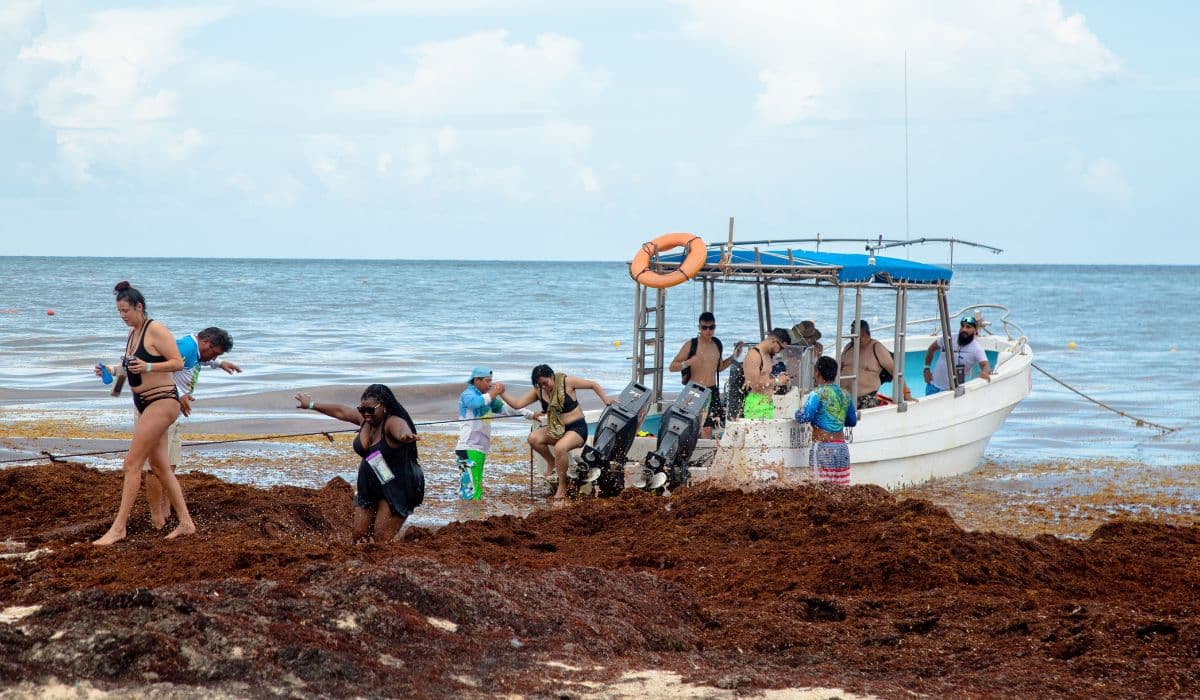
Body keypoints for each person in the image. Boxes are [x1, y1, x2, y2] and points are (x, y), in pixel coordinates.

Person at [92, 281, 197, 546]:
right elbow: (131, 368)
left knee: (132, 464)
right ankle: (186, 523)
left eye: (126, 310)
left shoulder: (155, 329)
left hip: (162, 401)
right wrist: (110, 370)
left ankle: (119, 528)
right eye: (119, 311)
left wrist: (149, 367)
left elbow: (177, 362)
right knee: (160, 467)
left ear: (139, 307)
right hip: (143, 403)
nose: (122, 316)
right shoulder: (133, 334)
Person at [295, 384, 424, 542]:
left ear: (384, 406)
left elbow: (401, 429)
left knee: (381, 536)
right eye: (362, 409)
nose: (366, 414)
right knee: (359, 535)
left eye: (370, 410)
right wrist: (311, 405)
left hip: (399, 484)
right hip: (372, 481)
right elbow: (341, 411)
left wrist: (405, 436)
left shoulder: (392, 422)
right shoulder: (365, 420)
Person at [144, 327, 241, 528]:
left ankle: (166, 510)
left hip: (174, 412)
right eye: (215, 353)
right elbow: (158, 369)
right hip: (160, 409)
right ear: (206, 343)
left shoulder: (195, 352)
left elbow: (198, 361)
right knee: (156, 467)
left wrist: (219, 363)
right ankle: (156, 517)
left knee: (171, 464)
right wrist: (180, 395)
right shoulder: (186, 348)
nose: (214, 357)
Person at [499, 364, 612, 501]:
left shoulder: (567, 382)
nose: (544, 387)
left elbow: (593, 385)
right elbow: (517, 404)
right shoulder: (539, 391)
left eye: (545, 383)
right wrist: (501, 392)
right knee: (533, 438)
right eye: (540, 385)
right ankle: (551, 461)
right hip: (557, 428)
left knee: (560, 447)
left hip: (577, 428)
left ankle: (563, 485)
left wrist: (606, 400)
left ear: (552, 376)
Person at [455, 367, 534, 500]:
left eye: (491, 381)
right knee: (470, 490)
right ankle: (470, 511)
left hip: (480, 448)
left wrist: (530, 414)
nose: (490, 384)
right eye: (487, 381)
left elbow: (506, 409)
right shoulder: (468, 394)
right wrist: (494, 393)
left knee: (475, 486)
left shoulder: (488, 398)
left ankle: (472, 510)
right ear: (476, 380)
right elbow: (475, 403)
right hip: (468, 447)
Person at [667, 312, 744, 438]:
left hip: (712, 391)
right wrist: (688, 362)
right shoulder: (691, 345)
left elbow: (719, 368)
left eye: (711, 327)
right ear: (699, 328)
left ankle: (705, 447)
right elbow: (672, 367)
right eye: (704, 327)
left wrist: (734, 356)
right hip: (695, 391)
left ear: (715, 327)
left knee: (708, 427)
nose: (708, 331)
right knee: (692, 426)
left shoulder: (717, 344)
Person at [794, 356, 858, 485]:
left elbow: (805, 416)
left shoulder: (817, 394)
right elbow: (852, 421)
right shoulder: (845, 395)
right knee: (842, 491)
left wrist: (796, 413)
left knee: (820, 491)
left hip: (823, 448)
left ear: (817, 373)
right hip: (841, 448)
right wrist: (835, 419)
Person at [922, 315, 992, 395]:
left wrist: (984, 372)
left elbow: (985, 364)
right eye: (962, 326)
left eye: (968, 327)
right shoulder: (948, 338)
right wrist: (926, 369)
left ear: (975, 330)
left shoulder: (976, 348)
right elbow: (931, 349)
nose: (964, 329)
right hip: (933, 386)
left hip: (954, 391)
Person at [839, 320, 895, 410]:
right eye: (851, 335)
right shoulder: (849, 347)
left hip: (866, 398)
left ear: (864, 334)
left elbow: (895, 371)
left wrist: (906, 393)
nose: (852, 338)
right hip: (843, 396)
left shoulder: (876, 347)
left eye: (854, 335)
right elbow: (838, 370)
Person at [740, 328, 792, 420]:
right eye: (781, 348)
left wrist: (779, 377)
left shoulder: (767, 355)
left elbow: (765, 378)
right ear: (773, 340)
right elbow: (754, 384)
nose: (780, 351)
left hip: (767, 403)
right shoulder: (754, 355)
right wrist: (777, 381)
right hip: (755, 404)